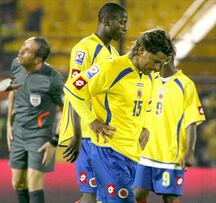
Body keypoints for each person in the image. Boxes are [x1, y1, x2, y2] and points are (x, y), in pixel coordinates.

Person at [64, 28, 175, 203]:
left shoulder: (150, 77)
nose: (157, 68)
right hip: (109, 151)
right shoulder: (109, 68)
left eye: (161, 63)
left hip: (133, 153)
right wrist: (91, 120)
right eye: (155, 61)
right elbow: (72, 88)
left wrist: (145, 126)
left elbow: (147, 105)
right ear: (141, 50)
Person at [58, 2, 128, 203]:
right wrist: (77, 134)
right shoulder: (84, 49)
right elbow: (73, 90)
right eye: (122, 22)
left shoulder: (115, 55)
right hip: (88, 135)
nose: (125, 27)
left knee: (104, 195)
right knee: (90, 194)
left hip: (106, 135)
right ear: (107, 21)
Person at [133, 56, 205, 203]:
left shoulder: (185, 84)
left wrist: (189, 152)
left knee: (169, 198)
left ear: (166, 58)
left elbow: (191, 121)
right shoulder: (150, 79)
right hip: (145, 152)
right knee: (137, 194)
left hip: (171, 156)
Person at [7, 36, 64, 203]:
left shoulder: (53, 79)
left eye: (26, 51)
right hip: (18, 133)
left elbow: (67, 110)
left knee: (34, 183)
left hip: (40, 136)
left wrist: (54, 141)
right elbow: (13, 88)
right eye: (23, 46)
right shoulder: (16, 64)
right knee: (18, 183)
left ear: (37, 59)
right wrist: (9, 125)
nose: (20, 51)